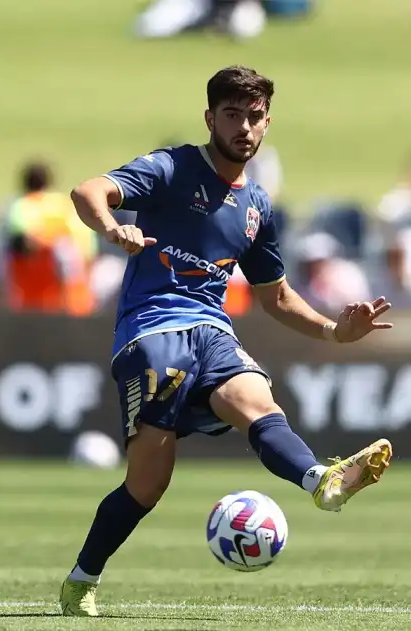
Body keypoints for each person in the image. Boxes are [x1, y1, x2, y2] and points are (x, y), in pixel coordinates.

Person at [59, 66, 393, 617]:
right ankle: (81, 580)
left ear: (267, 124)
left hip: (213, 330)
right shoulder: (172, 167)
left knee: (257, 400)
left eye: (254, 117)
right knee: (147, 486)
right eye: (232, 115)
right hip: (153, 331)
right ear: (210, 118)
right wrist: (111, 227)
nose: (243, 127)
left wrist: (335, 331)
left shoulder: (257, 205)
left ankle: (321, 480)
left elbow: (276, 297)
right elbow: (87, 191)